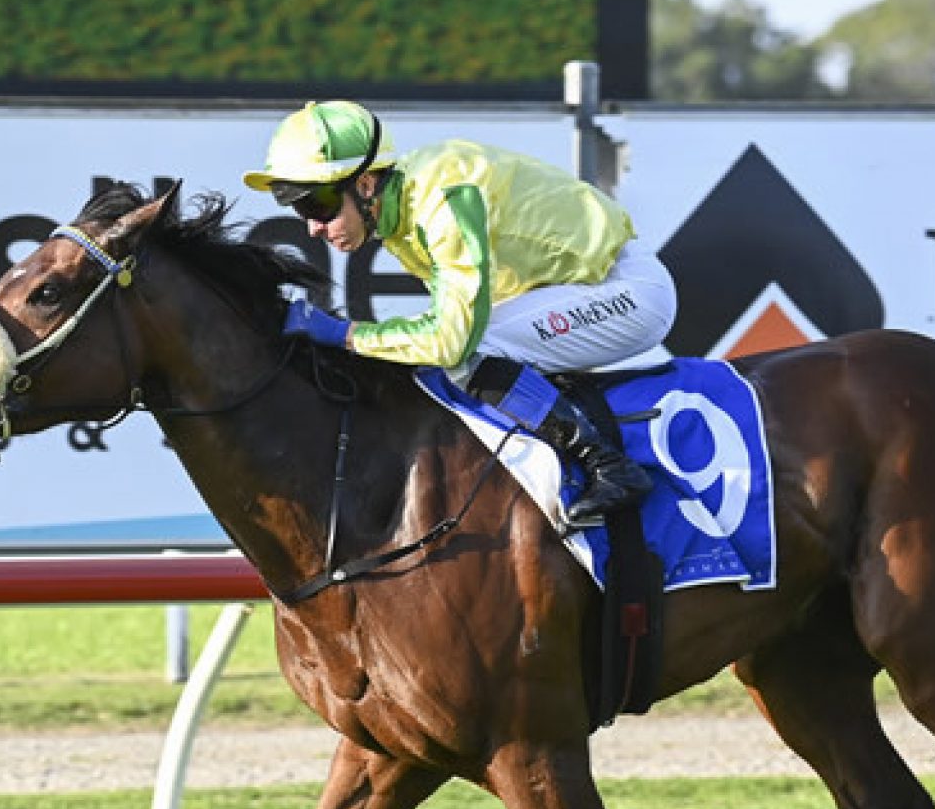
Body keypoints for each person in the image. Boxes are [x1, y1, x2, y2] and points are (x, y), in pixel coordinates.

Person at [243, 99, 677, 530]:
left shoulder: (444, 198)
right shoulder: (400, 212)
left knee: (469, 351)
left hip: (627, 293)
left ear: (368, 184)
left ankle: (606, 465)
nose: (313, 228)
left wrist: (347, 335)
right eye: (300, 210)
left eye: (318, 205)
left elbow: (452, 340)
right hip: (578, 288)